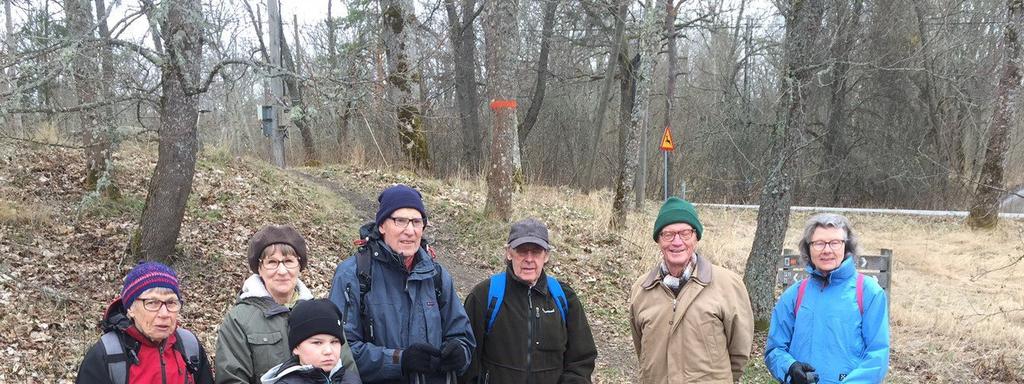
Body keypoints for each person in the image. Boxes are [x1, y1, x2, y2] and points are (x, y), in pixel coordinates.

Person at [328, 184, 475, 383]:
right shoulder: (353, 274)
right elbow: (338, 349)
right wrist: (399, 360)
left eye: (416, 222)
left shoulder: (437, 276)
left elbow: (462, 335)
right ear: (381, 226)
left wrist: (460, 352)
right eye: (400, 221)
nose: (410, 231)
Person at [629, 197, 754, 384]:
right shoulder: (641, 289)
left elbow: (739, 352)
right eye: (668, 234)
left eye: (685, 233)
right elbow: (642, 350)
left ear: (696, 237)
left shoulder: (728, 284)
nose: (677, 242)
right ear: (659, 240)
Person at [459, 218, 597, 384]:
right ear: (509, 253)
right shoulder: (485, 295)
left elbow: (581, 359)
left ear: (546, 256)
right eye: (522, 251)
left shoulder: (564, 298)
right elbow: (467, 361)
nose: (529, 259)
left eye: (536, 251)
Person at [217, 225, 357, 384]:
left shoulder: (322, 313)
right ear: (259, 268)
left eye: (289, 261)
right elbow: (231, 379)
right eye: (272, 262)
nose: (282, 271)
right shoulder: (239, 320)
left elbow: (347, 370)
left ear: (299, 266)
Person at [765, 213, 890, 384]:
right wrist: (790, 367)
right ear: (808, 248)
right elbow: (774, 349)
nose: (827, 250)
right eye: (819, 243)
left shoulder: (868, 292)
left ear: (846, 247)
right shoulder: (794, 295)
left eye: (835, 243)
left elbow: (877, 355)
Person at [76, 261, 214, 384]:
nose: (164, 314)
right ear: (130, 309)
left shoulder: (189, 346)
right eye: (152, 303)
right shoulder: (107, 356)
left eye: (171, 302)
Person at [260, 299, 362, 384]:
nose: (328, 351)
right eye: (317, 343)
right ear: (296, 347)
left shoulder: (351, 379)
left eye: (334, 342)